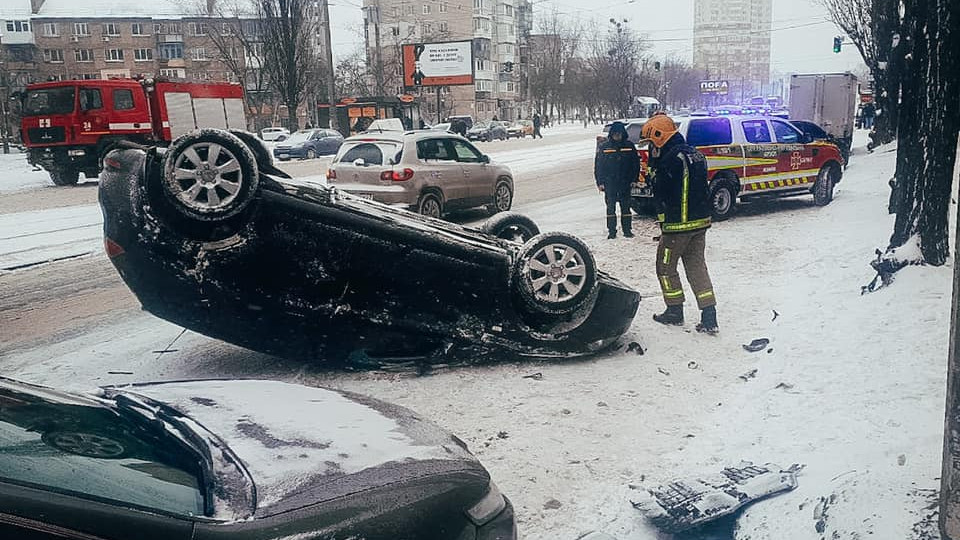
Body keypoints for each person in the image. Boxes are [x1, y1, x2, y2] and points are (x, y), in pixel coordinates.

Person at [642, 113, 719, 334]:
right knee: (697, 267)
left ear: (659, 136)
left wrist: (653, 171)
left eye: (651, 142)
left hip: (678, 228)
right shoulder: (694, 154)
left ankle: (674, 311)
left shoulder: (671, 159)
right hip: (700, 225)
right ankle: (709, 315)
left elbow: (662, 192)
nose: (650, 147)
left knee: (665, 268)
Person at [594, 121, 638, 239]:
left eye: (619, 134)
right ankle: (612, 231)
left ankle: (627, 230)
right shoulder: (605, 147)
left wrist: (634, 179)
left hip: (625, 182)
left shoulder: (629, 146)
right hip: (610, 183)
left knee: (626, 208)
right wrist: (600, 182)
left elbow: (635, 164)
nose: (617, 136)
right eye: (615, 134)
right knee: (610, 208)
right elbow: (599, 166)